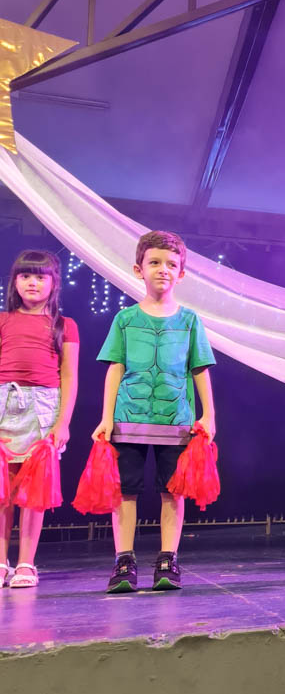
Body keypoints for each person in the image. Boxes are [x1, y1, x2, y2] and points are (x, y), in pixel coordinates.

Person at [93, 231, 215, 592]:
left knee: (172, 491)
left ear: (181, 274)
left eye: (172, 264)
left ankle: (167, 559)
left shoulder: (190, 320)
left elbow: (200, 369)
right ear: (139, 269)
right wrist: (106, 417)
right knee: (125, 491)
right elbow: (114, 367)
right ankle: (124, 560)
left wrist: (208, 415)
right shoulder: (125, 319)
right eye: (155, 262)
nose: (163, 269)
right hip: (128, 419)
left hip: (175, 422)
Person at [0, 250, 78, 587]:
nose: (32, 282)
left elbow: (69, 376)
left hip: (43, 408)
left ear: (54, 283)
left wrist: (63, 422)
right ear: (14, 282)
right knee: (2, 490)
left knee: (34, 491)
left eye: (40, 276)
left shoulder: (64, 325)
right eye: (25, 276)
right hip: (4, 404)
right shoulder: (3, 320)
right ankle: (0, 561)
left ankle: (26, 563)